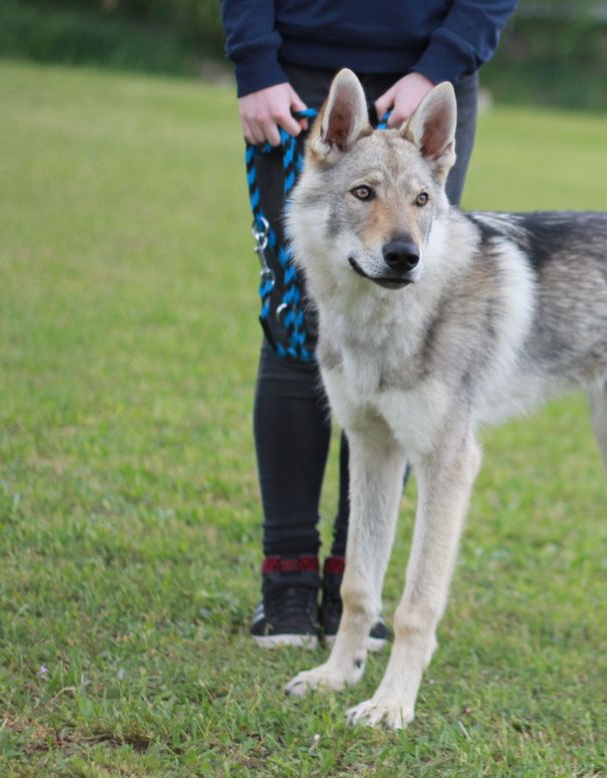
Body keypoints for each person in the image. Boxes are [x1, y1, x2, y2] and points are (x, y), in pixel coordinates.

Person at [219, 0, 518, 648]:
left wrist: (443, 60)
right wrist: (254, 60)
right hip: (292, 81)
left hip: (428, 79)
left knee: (409, 339)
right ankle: (289, 582)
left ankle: (358, 590)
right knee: (295, 329)